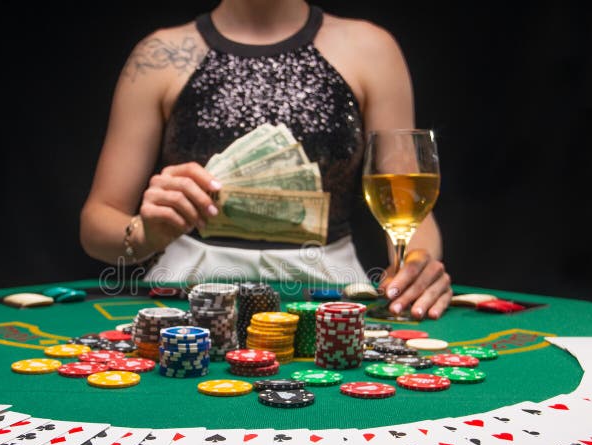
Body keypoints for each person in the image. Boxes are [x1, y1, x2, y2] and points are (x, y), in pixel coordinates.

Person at [80, 0, 452, 319]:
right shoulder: (157, 55)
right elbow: (97, 223)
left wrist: (417, 266)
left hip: (331, 292)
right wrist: (145, 235)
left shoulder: (373, 49)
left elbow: (406, 203)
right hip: (183, 292)